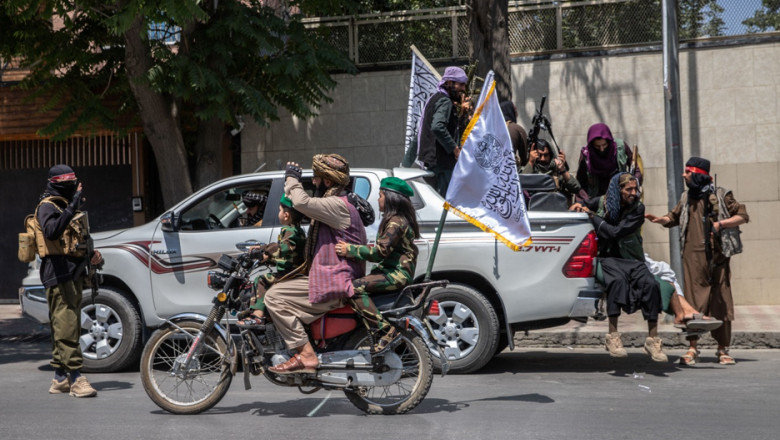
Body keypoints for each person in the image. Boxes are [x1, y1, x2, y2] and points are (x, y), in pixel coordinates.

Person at [264, 154, 368, 374]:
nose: (313, 182)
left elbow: (301, 202)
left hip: (336, 280)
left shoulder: (337, 204)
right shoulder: (338, 203)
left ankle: (306, 355)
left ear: (327, 181)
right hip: (332, 276)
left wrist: (292, 178)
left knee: (274, 297)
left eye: (316, 179)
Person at [646, 157, 749, 366]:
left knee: (721, 300)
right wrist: (660, 220)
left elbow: (742, 216)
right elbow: (673, 217)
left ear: (698, 175)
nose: (684, 175)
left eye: (688, 172)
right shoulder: (686, 197)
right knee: (693, 303)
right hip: (692, 257)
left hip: (718, 256)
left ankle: (722, 349)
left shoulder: (721, 195)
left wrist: (720, 225)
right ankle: (692, 348)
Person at [571, 173, 666, 362]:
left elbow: (615, 232)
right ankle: (613, 337)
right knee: (616, 282)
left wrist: (593, 217)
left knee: (650, 284)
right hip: (608, 258)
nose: (633, 193)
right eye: (628, 189)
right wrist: (577, 206)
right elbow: (585, 203)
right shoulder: (602, 202)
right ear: (618, 190)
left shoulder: (638, 209)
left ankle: (652, 340)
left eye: (635, 189)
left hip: (632, 258)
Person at [34, 164, 102, 397]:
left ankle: (60, 378)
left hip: (73, 273)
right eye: (68, 183)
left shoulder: (65, 207)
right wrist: (73, 205)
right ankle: (75, 378)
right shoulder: (47, 206)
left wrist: (93, 255)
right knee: (67, 327)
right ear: (55, 184)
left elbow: (76, 241)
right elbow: (52, 231)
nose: (72, 187)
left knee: (65, 325)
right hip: (57, 274)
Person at [334, 177, 420, 352]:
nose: (378, 199)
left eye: (380, 195)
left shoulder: (396, 222)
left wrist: (350, 249)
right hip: (392, 272)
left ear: (390, 198)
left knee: (353, 288)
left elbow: (381, 251)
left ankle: (385, 331)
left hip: (396, 274)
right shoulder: (397, 219)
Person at [238, 194, 305, 326]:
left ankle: (258, 315)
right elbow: (287, 253)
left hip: (289, 273)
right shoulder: (297, 230)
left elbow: (284, 248)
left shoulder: (290, 231)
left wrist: (267, 252)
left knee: (261, 280)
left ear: (286, 215)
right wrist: (267, 253)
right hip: (291, 270)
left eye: (280, 210)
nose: (278, 213)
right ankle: (267, 315)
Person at [416, 66, 469, 197]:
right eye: (461, 84)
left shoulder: (435, 98)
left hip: (434, 162)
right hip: (442, 165)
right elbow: (437, 127)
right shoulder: (445, 101)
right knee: (445, 201)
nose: (463, 89)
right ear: (450, 83)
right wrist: (454, 149)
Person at [575, 123, 641, 201]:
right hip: (596, 197)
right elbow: (580, 182)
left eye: (604, 145)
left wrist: (633, 184)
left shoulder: (620, 147)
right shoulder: (586, 155)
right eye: (597, 146)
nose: (602, 149)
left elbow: (636, 169)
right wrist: (587, 201)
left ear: (609, 142)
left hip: (620, 195)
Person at [500, 100, 528, 169]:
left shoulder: (492, 128)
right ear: (510, 111)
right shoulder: (517, 129)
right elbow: (524, 159)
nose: (517, 114)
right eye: (515, 111)